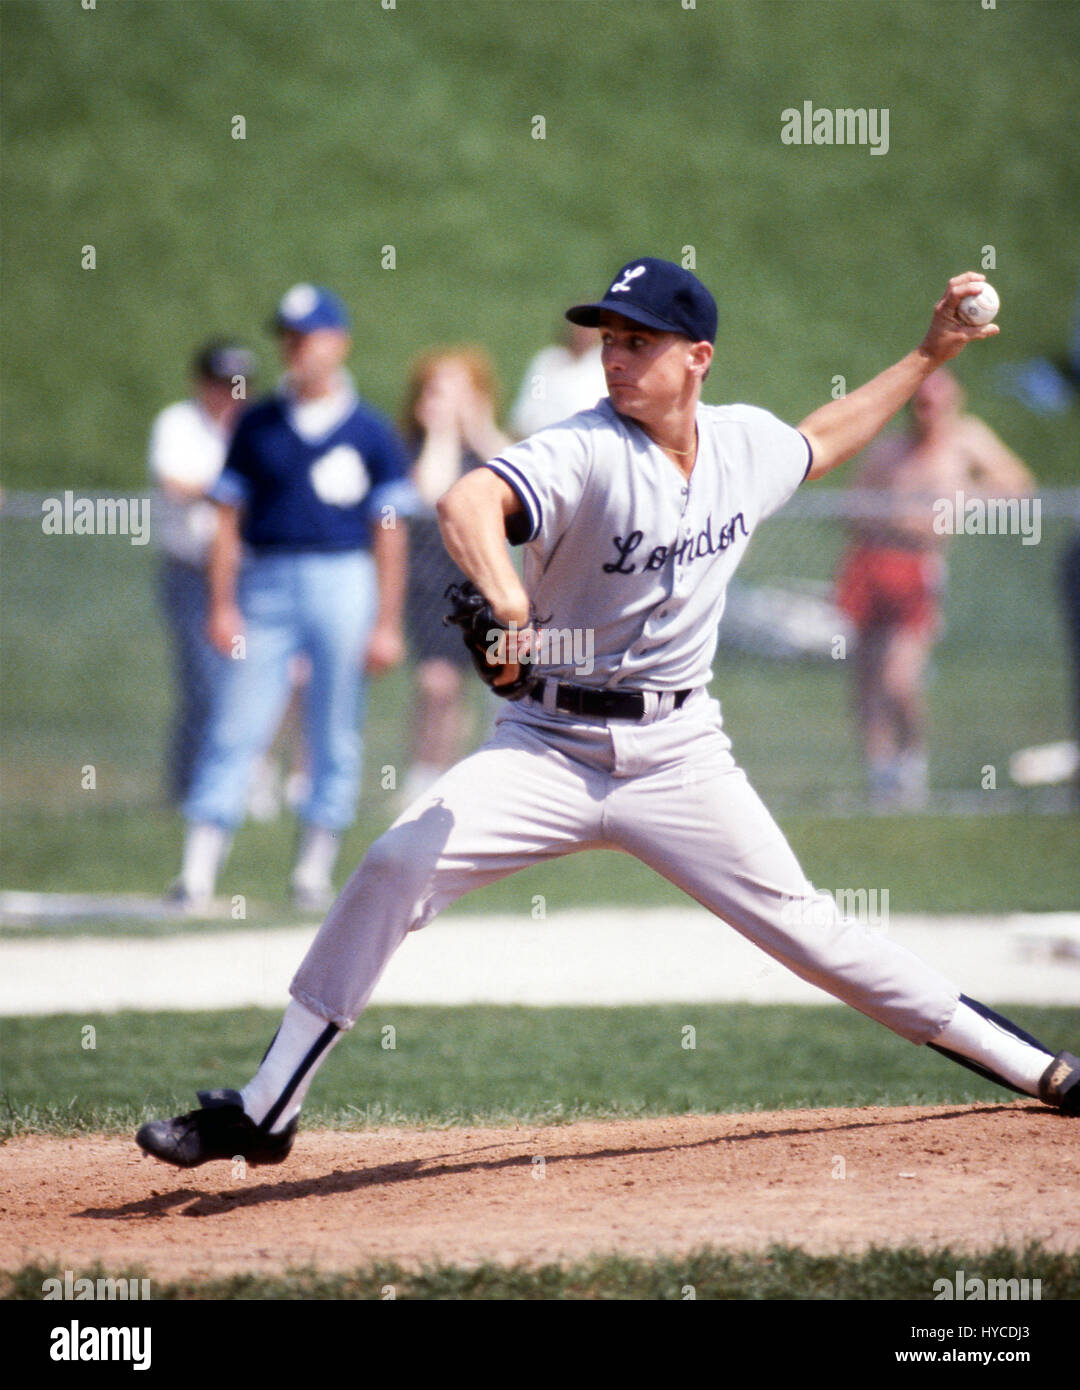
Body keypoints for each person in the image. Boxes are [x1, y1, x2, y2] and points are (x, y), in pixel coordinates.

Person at [137, 259, 1078, 1168]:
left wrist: (928, 356)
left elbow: (825, 437)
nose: (614, 357)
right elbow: (471, 499)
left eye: (637, 340)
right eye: (607, 339)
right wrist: (507, 599)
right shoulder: (583, 447)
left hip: (679, 755)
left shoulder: (743, 447)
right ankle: (267, 1109)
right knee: (391, 866)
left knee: (814, 933)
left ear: (697, 356)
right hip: (547, 746)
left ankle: (1037, 1067)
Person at [171, 284, 414, 913]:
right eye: (288, 337)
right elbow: (226, 517)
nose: (295, 350)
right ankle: (197, 871)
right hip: (269, 578)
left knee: (335, 723)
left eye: (307, 336)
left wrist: (387, 620)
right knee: (238, 719)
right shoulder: (258, 423)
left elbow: (390, 530)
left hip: (343, 577)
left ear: (338, 342)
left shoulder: (370, 430)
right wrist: (222, 604)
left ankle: (314, 868)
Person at [834, 368, 1034, 807]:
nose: (929, 413)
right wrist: (892, 514)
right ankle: (881, 775)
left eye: (937, 404)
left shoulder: (967, 441)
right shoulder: (891, 450)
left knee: (900, 677)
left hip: (918, 565)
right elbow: (852, 506)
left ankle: (911, 762)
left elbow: (1018, 486)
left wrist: (960, 503)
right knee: (866, 677)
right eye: (921, 403)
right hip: (872, 561)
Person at [400, 347, 511, 802]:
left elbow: (519, 471)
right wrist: (442, 432)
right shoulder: (414, 447)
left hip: (481, 583)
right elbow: (433, 492)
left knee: (466, 684)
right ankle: (424, 771)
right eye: (435, 391)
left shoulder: (488, 448)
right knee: (437, 682)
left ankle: (450, 772)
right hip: (428, 586)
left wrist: (478, 426)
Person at [148, 341, 256, 804]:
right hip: (191, 569)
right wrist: (228, 493)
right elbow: (176, 482)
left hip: (247, 570)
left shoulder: (254, 428)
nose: (230, 394)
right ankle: (189, 789)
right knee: (204, 683)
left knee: (250, 682)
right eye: (221, 383)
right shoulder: (179, 423)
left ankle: (241, 786)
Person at [509, 320, 606, 438]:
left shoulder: (603, 365)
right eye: (579, 329)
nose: (584, 334)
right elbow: (532, 403)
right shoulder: (546, 361)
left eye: (589, 329)